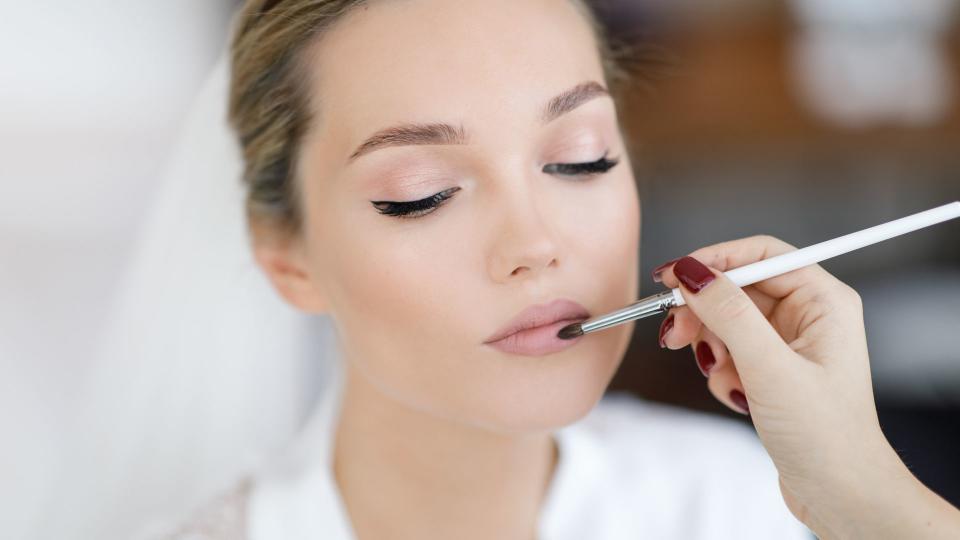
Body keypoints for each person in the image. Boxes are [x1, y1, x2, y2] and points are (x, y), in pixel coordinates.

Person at [162, 0, 960, 538]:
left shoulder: (747, 506)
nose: (536, 244)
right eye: (421, 196)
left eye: (582, 160)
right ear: (287, 256)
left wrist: (871, 502)